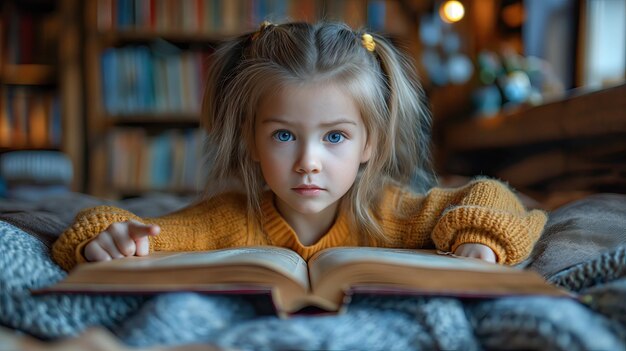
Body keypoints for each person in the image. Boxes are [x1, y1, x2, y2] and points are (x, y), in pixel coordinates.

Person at [52, 21, 547, 272]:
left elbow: (492, 196)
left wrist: (478, 238)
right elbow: (124, 228)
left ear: (369, 143)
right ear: (250, 141)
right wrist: (107, 236)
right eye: (284, 135)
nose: (309, 162)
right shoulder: (228, 219)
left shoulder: (394, 212)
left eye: (335, 137)